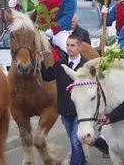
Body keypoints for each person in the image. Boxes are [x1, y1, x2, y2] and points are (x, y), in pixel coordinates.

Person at [42, 34, 109, 164]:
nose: (69, 48)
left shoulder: (88, 66)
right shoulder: (60, 65)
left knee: (75, 142)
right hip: (65, 111)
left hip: (82, 113)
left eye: (73, 45)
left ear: (79, 47)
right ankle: (88, 158)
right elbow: (46, 76)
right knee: (76, 144)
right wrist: (40, 61)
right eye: (68, 45)